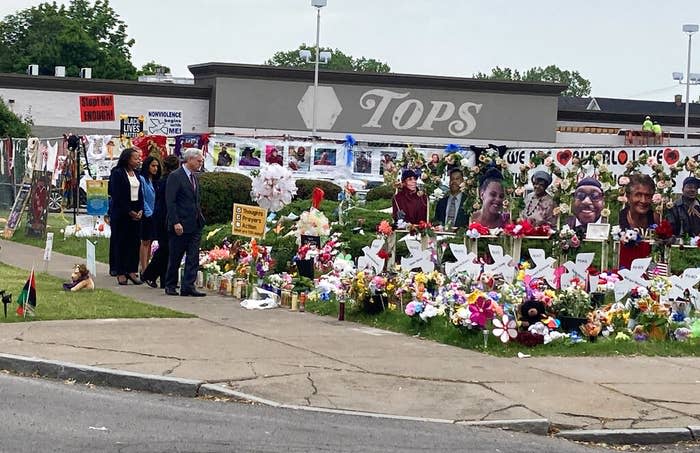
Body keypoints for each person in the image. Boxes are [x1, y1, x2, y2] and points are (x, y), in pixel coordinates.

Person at [164, 148, 206, 297]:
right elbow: (171, 201)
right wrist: (175, 222)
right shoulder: (175, 176)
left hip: (194, 223)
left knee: (193, 256)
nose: (200, 163)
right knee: (175, 255)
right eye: (199, 161)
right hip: (180, 223)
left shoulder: (194, 177)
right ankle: (170, 284)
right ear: (190, 160)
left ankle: (188, 285)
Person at [141, 155, 180, 288]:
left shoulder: (163, 180)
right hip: (164, 217)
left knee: (167, 249)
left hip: (161, 216)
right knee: (166, 248)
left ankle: (165, 279)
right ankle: (149, 274)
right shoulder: (170, 180)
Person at [108, 148, 144, 286]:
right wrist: (129, 211)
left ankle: (131, 270)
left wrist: (140, 209)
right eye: (135, 158)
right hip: (122, 212)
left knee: (134, 243)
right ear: (127, 159)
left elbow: (140, 193)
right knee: (121, 242)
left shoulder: (137, 174)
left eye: (139, 158)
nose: (138, 160)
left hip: (136, 210)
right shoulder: (117, 173)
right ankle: (121, 271)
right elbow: (117, 195)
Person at [618, 174, 659, 269]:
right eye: (638, 195)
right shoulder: (617, 219)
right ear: (628, 196)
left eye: (647, 196)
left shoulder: (656, 219)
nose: (643, 201)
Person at [138, 156, 161, 276]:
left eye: (157, 166)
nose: (155, 168)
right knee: (145, 241)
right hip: (147, 215)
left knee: (150, 241)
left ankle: (146, 266)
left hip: (155, 215)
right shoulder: (142, 179)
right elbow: (142, 197)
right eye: (153, 166)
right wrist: (148, 213)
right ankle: (143, 267)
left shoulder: (156, 181)